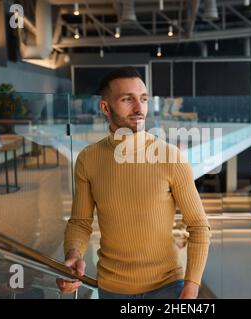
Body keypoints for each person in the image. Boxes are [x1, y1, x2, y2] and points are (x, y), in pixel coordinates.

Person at [57, 67, 211, 299]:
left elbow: (199, 227)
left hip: (168, 286)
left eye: (143, 99)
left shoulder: (171, 157)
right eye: (127, 99)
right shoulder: (88, 159)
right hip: (112, 289)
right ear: (105, 108)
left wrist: (191, 287)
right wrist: (74, 253)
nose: (140, 109)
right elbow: (80, 222)